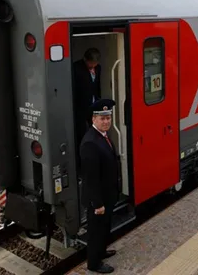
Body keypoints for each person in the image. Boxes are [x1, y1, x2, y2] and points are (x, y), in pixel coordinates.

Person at [80, 99, 119, 274]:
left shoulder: (102, 136)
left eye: (108, 117)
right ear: (93, 119)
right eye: (102, 118)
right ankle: (94, 264)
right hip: (98, 198)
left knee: (104, 226)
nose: (106, 121)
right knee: (96, 231)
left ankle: (102, 251)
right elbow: (90, 178)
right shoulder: (90, 142)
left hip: (107, 194)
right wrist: (97, 204)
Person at [74, 48, 102, 165]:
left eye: (95, 64)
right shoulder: (75, 68)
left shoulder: (98, 68)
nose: (93, 66)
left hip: (94, 104)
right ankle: (82, 159)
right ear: (86, 60)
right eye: (91, 64)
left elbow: (97, 86)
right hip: (80, 106)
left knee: (96, 130)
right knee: (81, 132)